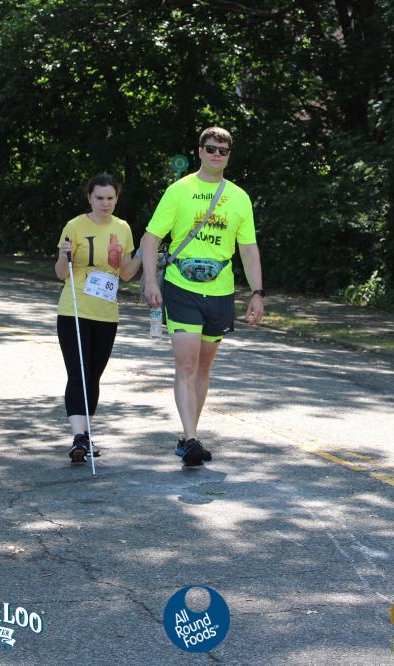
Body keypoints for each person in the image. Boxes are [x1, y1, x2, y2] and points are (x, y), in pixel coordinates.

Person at [140, 127, 265, 466]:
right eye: (211, 148)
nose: (216, 155)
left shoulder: (239, 197)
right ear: (199, 151)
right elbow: (151, 238)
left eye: (223, 150)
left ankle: (187, 436)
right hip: (182, 288)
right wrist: (151, 282)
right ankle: (192, 437)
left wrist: (257, 292)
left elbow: (248, 248)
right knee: (186, 363)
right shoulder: (179, 190)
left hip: (220, 292)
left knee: (204, 366)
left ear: (229, 155)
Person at [55, 173, 142, 463]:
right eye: (99, 198)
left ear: (117, 198)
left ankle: (86, 434)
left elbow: (126, 274)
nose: (105, 203)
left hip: (107, 313)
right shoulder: (74, 226)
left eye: (110, 198)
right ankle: (78, 437)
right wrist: (64, 255)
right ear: (89, 198)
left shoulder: (123, 228)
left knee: (94, 375)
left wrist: (142, 253)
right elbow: (60, 273)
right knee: (78, 372)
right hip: (74, 309)